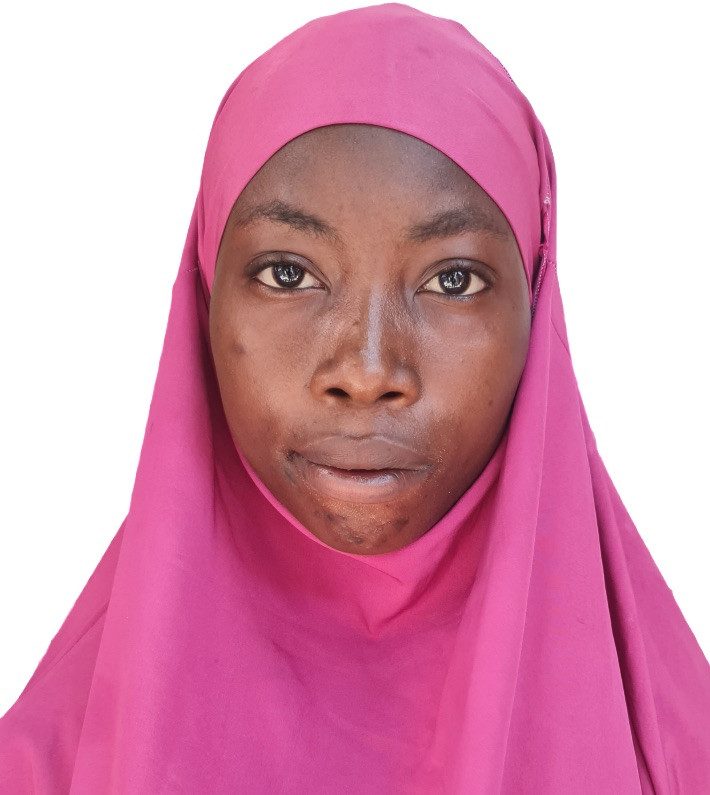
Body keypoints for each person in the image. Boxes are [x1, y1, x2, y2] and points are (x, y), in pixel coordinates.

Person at [1, 4, 708, 792]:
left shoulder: (678, 760)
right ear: (205, 297)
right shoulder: (42, 768)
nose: (367, 371)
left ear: (535, 307)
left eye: (452, 280)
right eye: (289, 274)